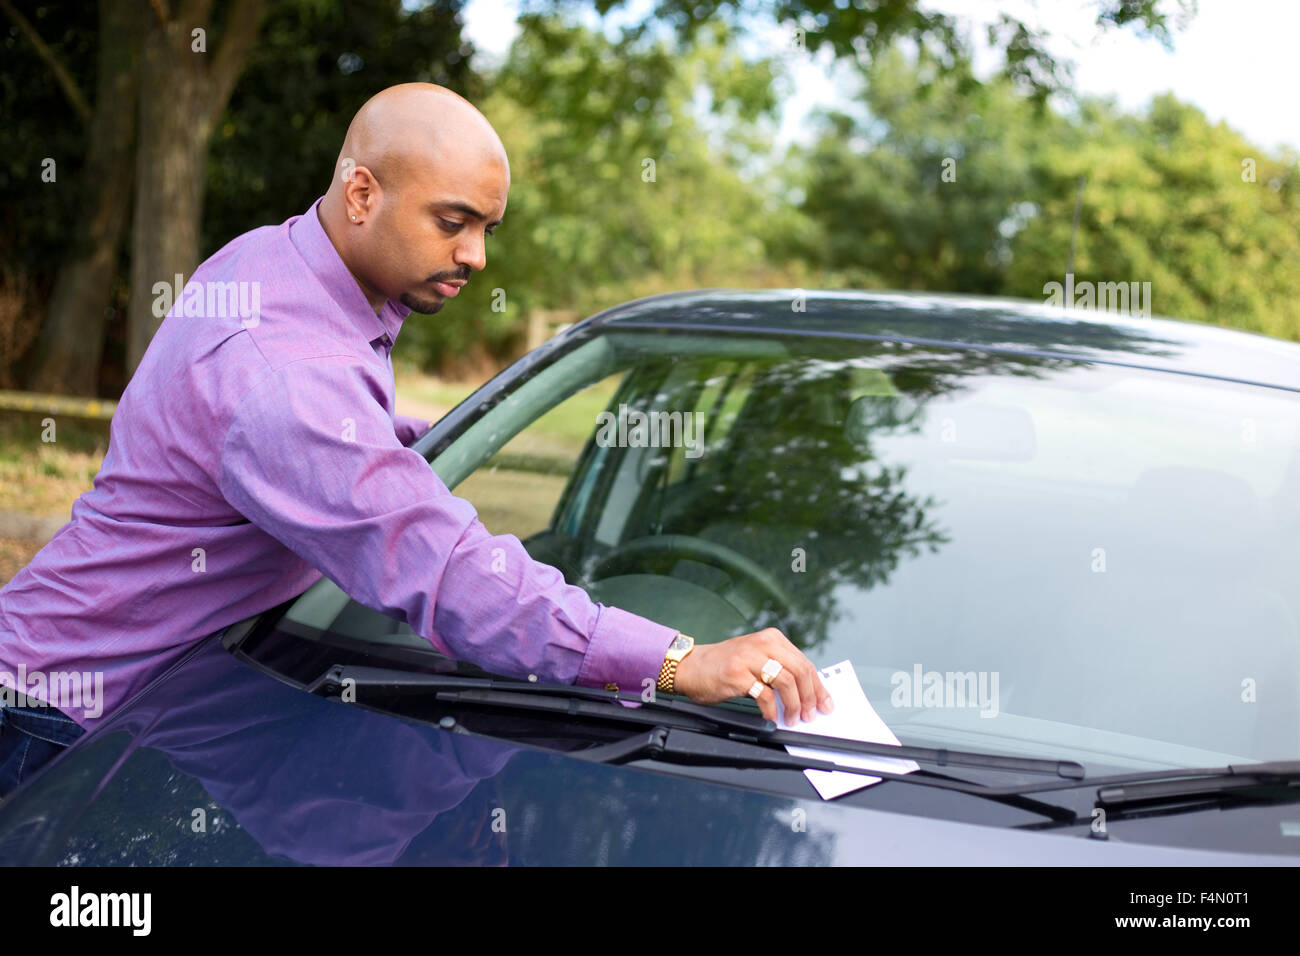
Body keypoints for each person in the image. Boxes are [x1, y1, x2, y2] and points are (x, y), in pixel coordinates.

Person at [0, 83, 831, 798]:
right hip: (50, 722)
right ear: (361, 194)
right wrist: (678, 661)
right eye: (452, 222)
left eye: (487, 230)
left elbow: (324, 439)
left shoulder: (277, 263)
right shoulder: (284, 372)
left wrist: (424, 441)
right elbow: (442, 570)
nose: (473, 256)